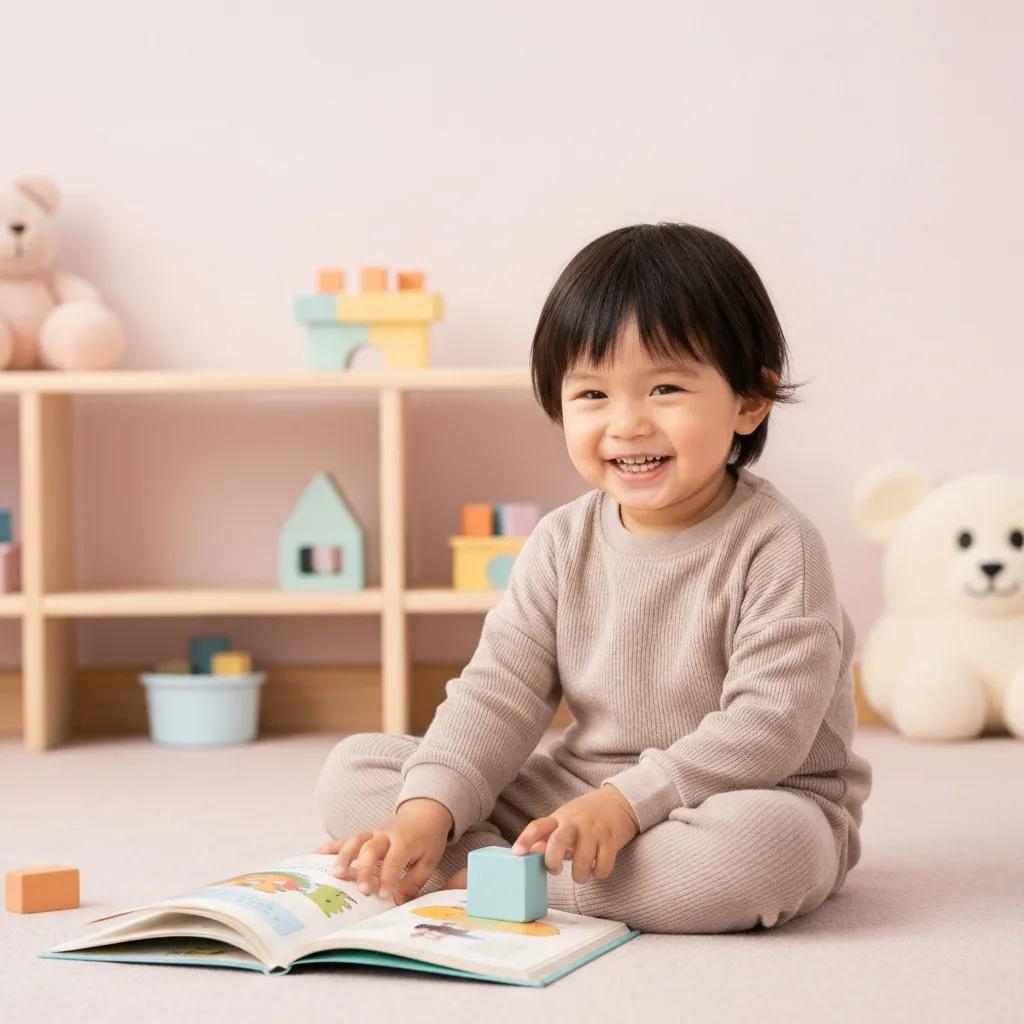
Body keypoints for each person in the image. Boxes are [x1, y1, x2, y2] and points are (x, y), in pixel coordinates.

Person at [312, 223, 873, 934]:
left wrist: (629, 804)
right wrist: (424, 815)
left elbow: (768, 730)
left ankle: (506, 880)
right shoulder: (561, 542)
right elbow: (498, 693)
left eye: (665, 388)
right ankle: (495, 861)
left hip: (742, 795)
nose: (627, 424)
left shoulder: (779, 547)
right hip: (578, 791)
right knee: (359, 768)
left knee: (764, 852)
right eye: (592, 395)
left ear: (748, 402)